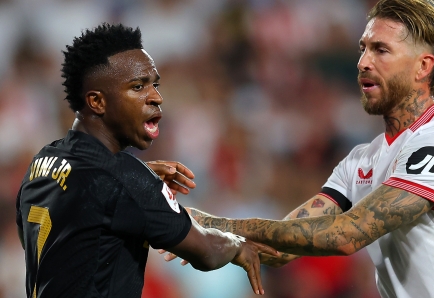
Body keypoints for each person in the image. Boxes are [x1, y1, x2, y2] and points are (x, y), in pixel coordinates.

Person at [172, 0, 434, 297]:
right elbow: (282, 249)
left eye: (381, 50)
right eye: (363, 48)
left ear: (423, 66)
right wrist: (186, 230)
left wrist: (219, 225)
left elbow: (348, 234)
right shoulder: (359, 161)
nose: (362, 62)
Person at [15, 23, 277, 298]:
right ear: (97, 102)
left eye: (155, 84)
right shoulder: (123, 178)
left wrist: (133, 183)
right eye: (138, 86)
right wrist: (237, 245)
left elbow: (33, 239)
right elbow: (207, 253)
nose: (156, 97)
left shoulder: (43, 161)